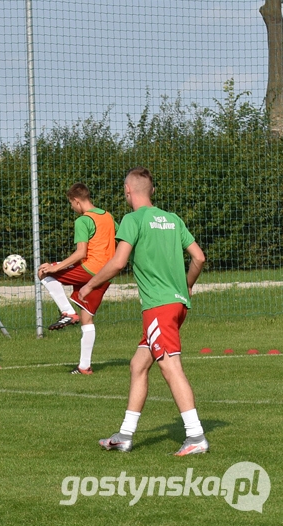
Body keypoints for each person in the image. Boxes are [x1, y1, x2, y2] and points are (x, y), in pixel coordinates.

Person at [80, 167, 207, 456]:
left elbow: (118, 263)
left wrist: (88, 286)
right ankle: (124, 435)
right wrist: (184, 288)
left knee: (170, 366)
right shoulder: (173, 220)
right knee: (139, 365)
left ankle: (196, 435)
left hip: (158, 307)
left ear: (127, 190)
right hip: (176, 304)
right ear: (152, 191)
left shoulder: (133, 219)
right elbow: (199, 257)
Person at [38, 183, 118, 375]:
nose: (72, 208)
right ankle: (84, 367)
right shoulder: (107, 216)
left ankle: (67, 312)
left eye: (71, 204)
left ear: (76, 200)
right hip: (107, 273)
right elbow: (122, 238)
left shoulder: (83, 220)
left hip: (90, 269)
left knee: (43, 272)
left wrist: (55, 267)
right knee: (86, 317)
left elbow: (81, 252)